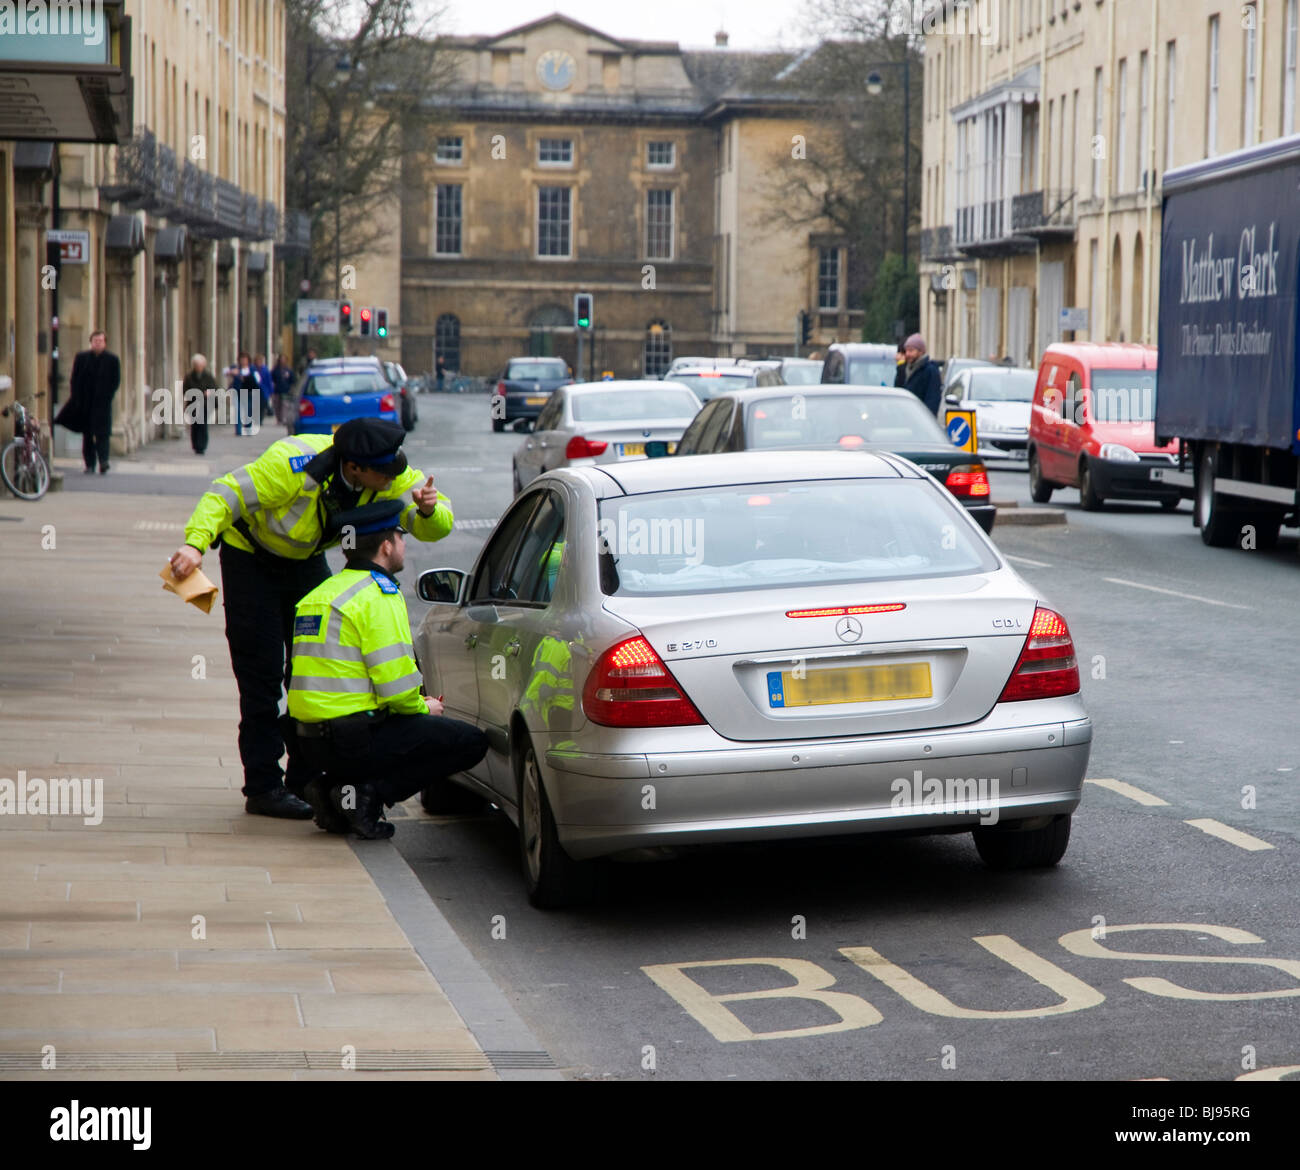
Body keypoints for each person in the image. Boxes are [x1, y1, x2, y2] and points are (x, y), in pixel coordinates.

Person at [167, 418, 454, 819]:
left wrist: (428, 510)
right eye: (382, 473)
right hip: (251, 558)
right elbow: (225, 494)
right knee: (260, 675)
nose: (391, 479)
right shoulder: (291, 464)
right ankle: (263, 785)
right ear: (353, 467)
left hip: (304, 561)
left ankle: (301, 779)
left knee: (312, 669)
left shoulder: (388, 470)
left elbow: (438, 525)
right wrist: (195, 544)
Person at [287, 500, 488, 838]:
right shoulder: (378, 596)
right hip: (351, 741)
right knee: (469, 743)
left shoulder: (320, 594)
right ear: (386, 546)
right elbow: (397, 688)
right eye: (400, 537)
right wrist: (425, 706)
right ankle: (369, 795)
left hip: (309, 742)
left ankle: (332, 791)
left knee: (387, 729)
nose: (404, 545)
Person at [65, 331, 121, 474]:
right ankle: (89, 464)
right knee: (88, 435)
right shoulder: (82, 358)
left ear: (105, 343)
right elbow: (75, 379)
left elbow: (116, 380)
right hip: (86, 403)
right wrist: (77, 397)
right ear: (91, 342)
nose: (98, 343)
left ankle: (104, 461)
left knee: (103, 435)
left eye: (100, 341)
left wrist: (108, 396)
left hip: (102, 403)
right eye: (95, 341)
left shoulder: (112, 360)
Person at [897, 333, 942, 415]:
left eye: (911, 350)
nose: (907, 354)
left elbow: (932, 400)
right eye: (906, 350)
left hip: (921, 420)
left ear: (921, 351)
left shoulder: (930, 371)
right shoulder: (905, 369)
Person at [183, 354, 218, 455]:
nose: (198, 367)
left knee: (202, 425)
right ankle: (195, 444)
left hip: (205, 404)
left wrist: (209, 393)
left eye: (200, 365)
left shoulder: (208, 376)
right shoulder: (189, 376)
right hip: (193, 404)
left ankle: (202, 446)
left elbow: (214, 388)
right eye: (197, 365)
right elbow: (185, 390)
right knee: (195, 425)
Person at [230, 352, 260, 436]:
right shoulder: (236, 368)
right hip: (237, 392)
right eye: (242, 359)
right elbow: (225, 371)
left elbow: (257, 379)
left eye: (245, 359)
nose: (243, 361)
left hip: (248, 392)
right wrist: (232, 372)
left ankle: (248, 428)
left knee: (248, 411)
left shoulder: (252, 369)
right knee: (238, 411)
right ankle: (238, 431)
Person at [271, 354, 295, 424]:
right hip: (277, 390)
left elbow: (292, 380)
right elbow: (272, 379)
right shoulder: (275, 370)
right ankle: (279, 419)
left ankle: (284, 418)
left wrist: (291, 388)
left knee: (284, 405)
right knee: (277, 405)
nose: (282, 361)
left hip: (286, 390)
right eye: (281, 359)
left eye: (284, 359)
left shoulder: (289, 370)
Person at [253, 353, 274, 422]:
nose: (259, 362)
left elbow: (269, 381)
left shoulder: (265, 370)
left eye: (260, 361)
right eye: (257, 361)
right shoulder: (253, 369)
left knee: (262, 406)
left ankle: (260, 419)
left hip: (264, 391)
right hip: (254, 390)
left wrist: (271, 392)